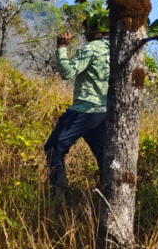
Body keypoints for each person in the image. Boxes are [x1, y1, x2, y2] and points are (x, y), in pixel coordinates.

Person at [44, 14, 110, 198]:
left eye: (87, 30)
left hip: (84, 109)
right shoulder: (116, 50)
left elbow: (67, 72)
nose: (84, 33)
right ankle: (109, 197)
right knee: (104, 157)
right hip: (103, 113)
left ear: (96, 31)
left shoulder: (91, 48)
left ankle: (60, 196)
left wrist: (62, 47)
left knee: (53, 148)